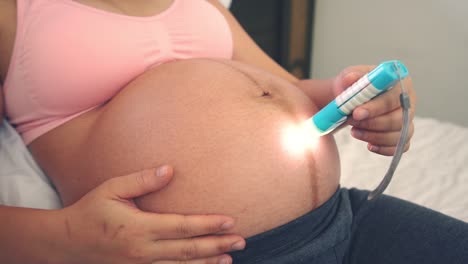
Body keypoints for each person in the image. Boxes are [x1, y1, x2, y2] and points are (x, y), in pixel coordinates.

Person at [0, 1, 466, 264]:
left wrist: (359, 95)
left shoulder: (198, 4)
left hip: (343, 217)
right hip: (192, 256)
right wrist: (64, 235)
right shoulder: (16, 15)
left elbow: (293, 89)